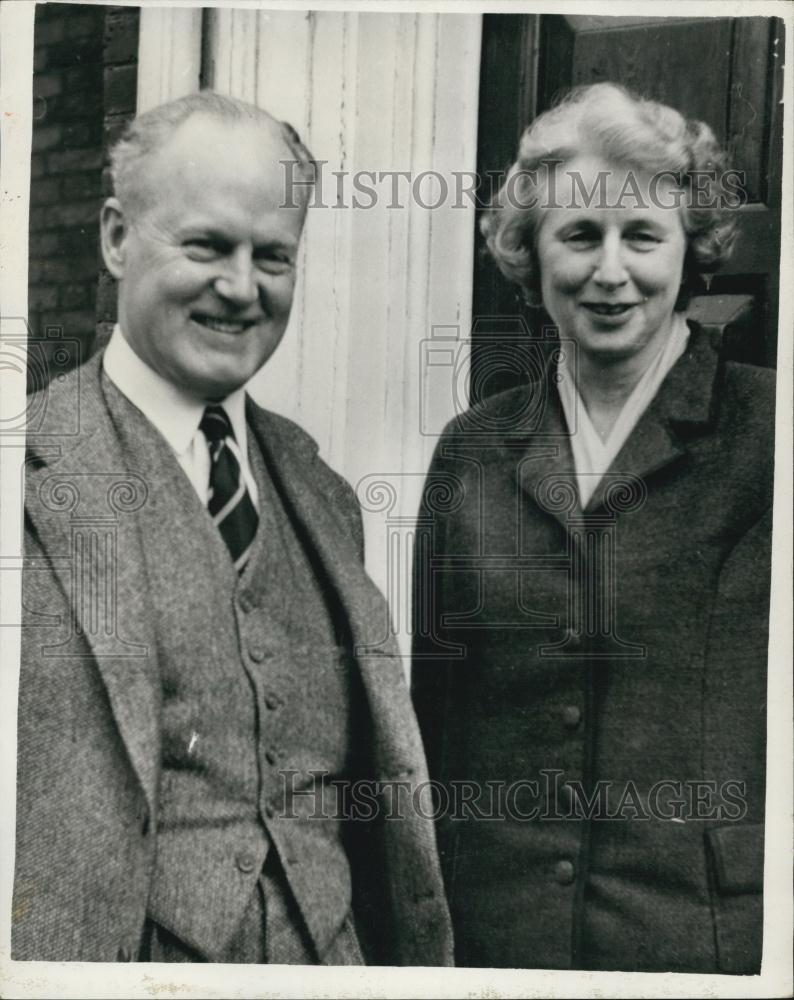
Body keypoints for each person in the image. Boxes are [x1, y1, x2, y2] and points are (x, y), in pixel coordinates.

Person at [14, 89, 453, 967]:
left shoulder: (321, 493)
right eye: (207, 246)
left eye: (274, 257)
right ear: (114, 238)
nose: (242, 288)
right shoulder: (26, 468)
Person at [412, 82, 774, 974]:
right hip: (498, 942)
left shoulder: (772, 435)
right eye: (579, 235)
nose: (610, 272)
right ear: (531, 258)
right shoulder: (474, 450)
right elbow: (433, 715)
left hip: (704, 942)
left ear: (689, 252)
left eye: (641, 235)